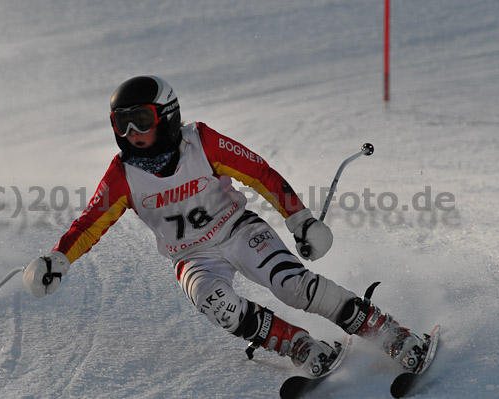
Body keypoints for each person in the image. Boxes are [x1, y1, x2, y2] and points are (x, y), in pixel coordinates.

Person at [23, 75, 426, 377]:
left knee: (293, 285)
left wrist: (299, 219)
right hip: (190, 256)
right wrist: (60, 257)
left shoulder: (201, 142)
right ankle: (297, 344)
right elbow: (91, 224)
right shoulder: (122, 176)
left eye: (141, 120)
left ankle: (386, 331)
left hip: (237, 229)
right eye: (121, 123)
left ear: (166, 115)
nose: (132, 133)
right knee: (216, 303)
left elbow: (260, 174)